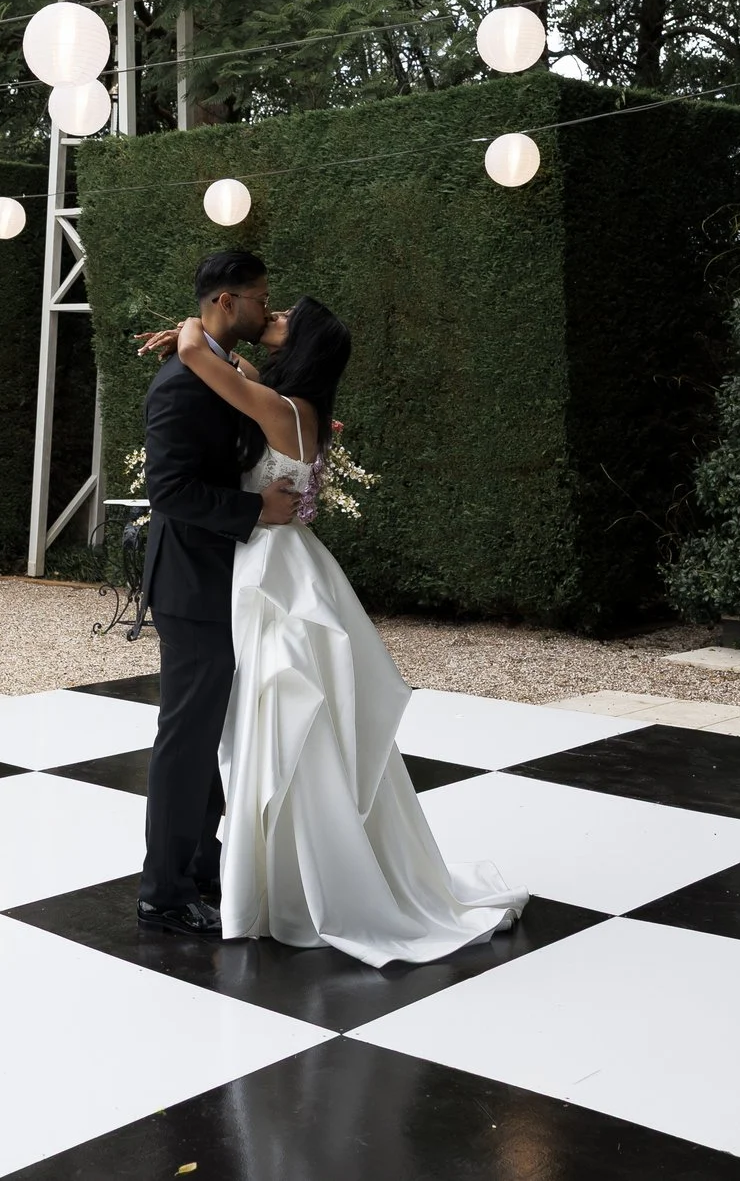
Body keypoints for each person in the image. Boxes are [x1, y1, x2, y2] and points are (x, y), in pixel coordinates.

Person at [147, 293, 526, 966]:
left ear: (304, 344)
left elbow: (194, 358)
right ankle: (264, 867)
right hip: (275, 562)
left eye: (286, 318)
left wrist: (188, 329)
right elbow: (230, 374)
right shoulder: (296, 406)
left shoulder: (282, 408)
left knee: (279, 713)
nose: (276, 318)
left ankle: (280, 876)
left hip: (271, 566)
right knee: (277, 716)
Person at [135, 250, 304, 937]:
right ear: (227, 302)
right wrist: (255, 510)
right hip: (190, 581)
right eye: (262, 299)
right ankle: (164, 892)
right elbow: (166, 490)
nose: (271, 308)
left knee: (206, 736)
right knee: (185, 739)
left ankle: (200, 869)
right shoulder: (180, 383)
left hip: (218, 578)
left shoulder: (218, 364)